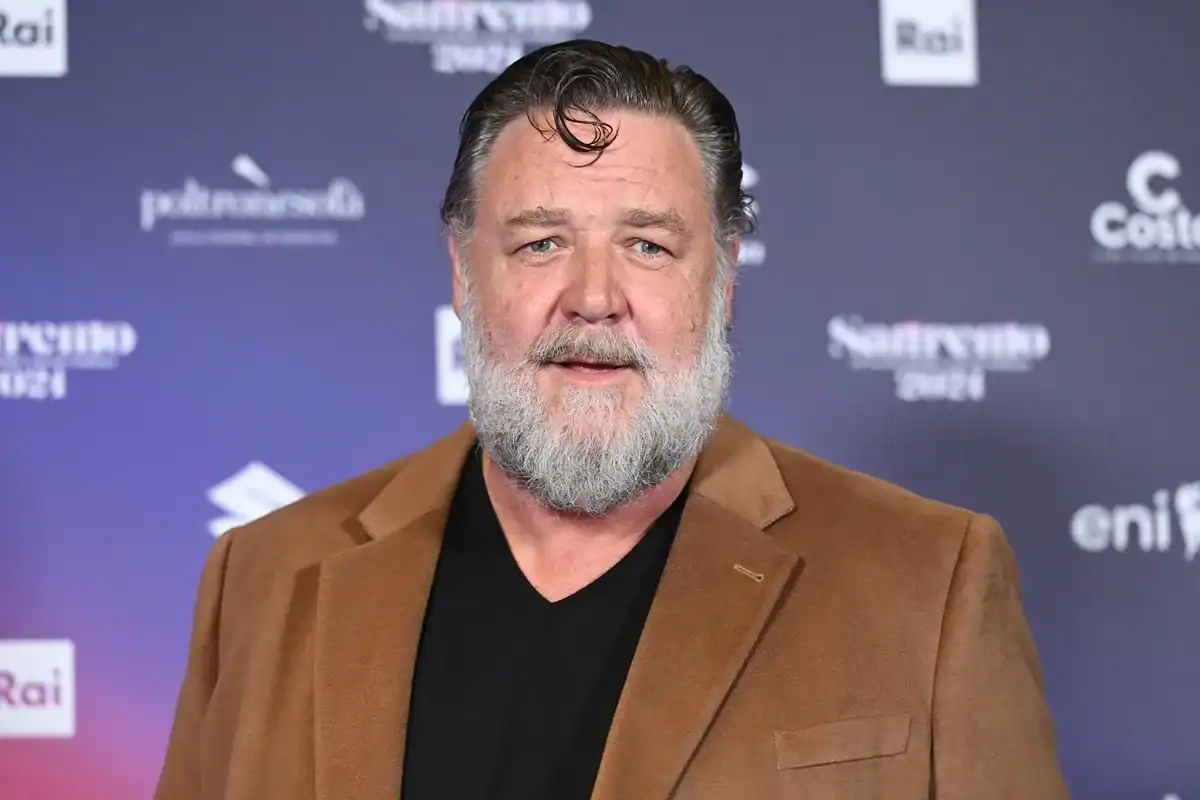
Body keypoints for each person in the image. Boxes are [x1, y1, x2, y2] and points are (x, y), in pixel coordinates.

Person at [154, 39, 1069, 800]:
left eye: (648, 245)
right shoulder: (264, 578)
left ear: (723, 277)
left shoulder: (930, 583)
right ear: (464, 274)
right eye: (541, 242)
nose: (594, 296)